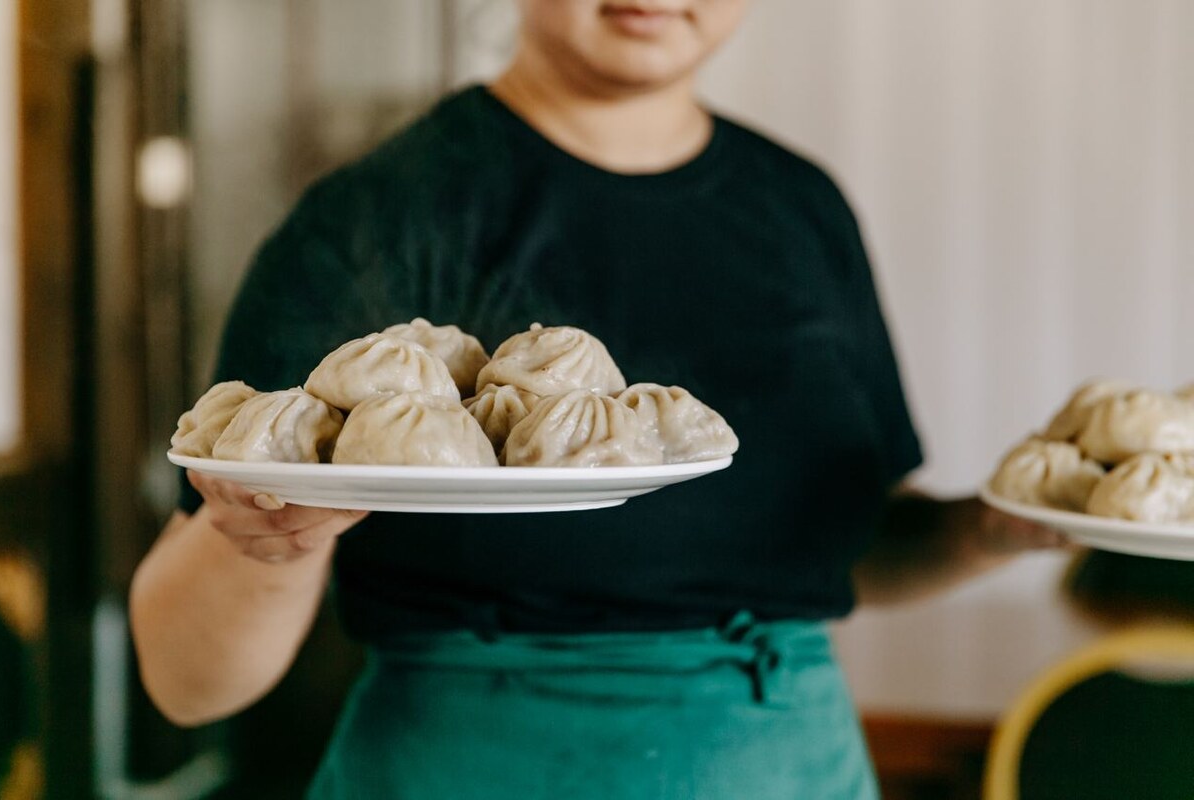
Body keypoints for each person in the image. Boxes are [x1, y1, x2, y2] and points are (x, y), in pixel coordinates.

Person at [129, 2, 1061, 797]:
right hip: (470, 763)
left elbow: (842, 553)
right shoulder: (375, 218)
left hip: (782, 764)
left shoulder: (804, 209)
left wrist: (997, 530)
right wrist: (268, 541)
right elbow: (183, 681)